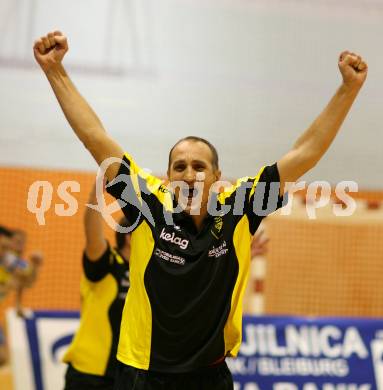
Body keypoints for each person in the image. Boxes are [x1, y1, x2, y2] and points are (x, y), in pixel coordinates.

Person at [33, 31, 367, 389]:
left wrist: (348, 89)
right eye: (179, 167)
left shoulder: (240, 207)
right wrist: (55, 71)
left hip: (209, 374)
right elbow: (95, 137)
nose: (188, 174)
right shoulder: (148, 203)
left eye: (198, 166)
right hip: (144, 374)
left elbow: (305, 153)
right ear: (168, 175)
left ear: (216, 176)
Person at [62, 184, 131, 390]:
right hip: (89, 375)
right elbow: (93, 236)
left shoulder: (146, 274)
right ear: (129, 237)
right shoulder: (108, 262)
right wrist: (96, 194)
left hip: (125, 374)